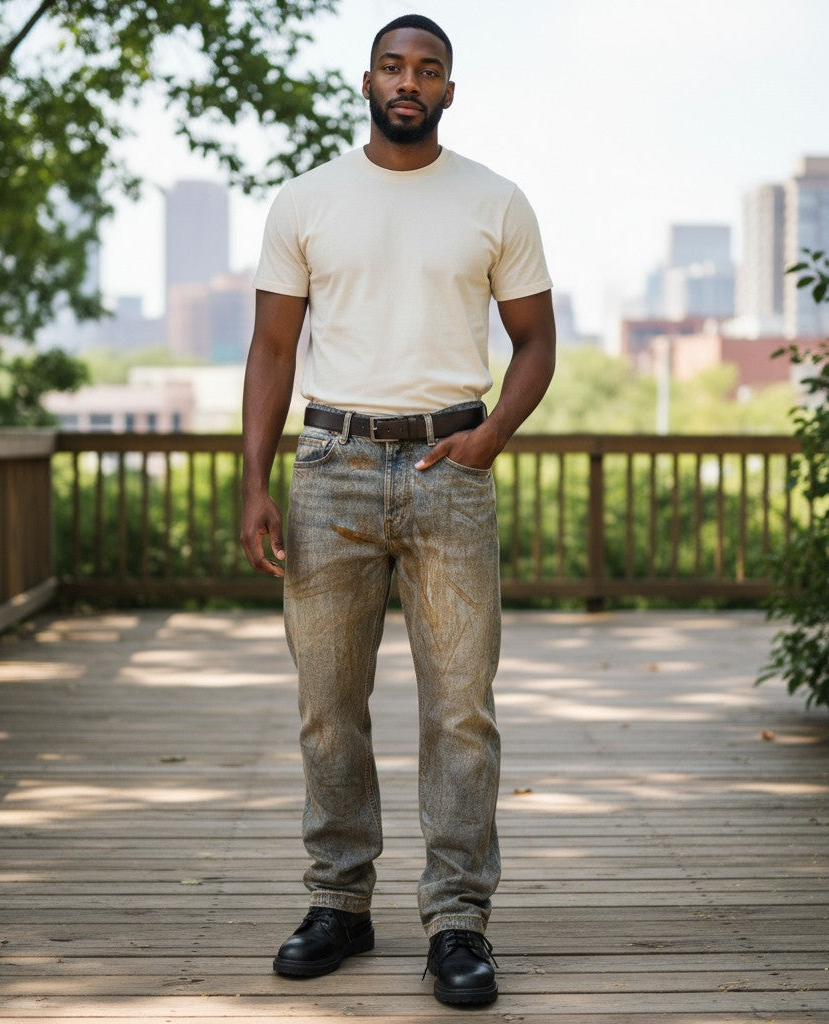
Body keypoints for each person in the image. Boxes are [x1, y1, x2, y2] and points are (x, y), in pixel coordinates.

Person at [240, 13, 555, 1008]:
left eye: (427, 69)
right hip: (330, 465)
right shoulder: (307, 200)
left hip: (447, 467)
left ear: (448, 90)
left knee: (460, 709)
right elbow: (273, 350)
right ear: (367, 81)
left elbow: (537, 341)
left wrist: (490, 436)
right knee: (328, 706)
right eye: (392, 65)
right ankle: (339, 901)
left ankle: (458, 920)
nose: (408, 81)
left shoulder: (495, 200)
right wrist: (254, 480)